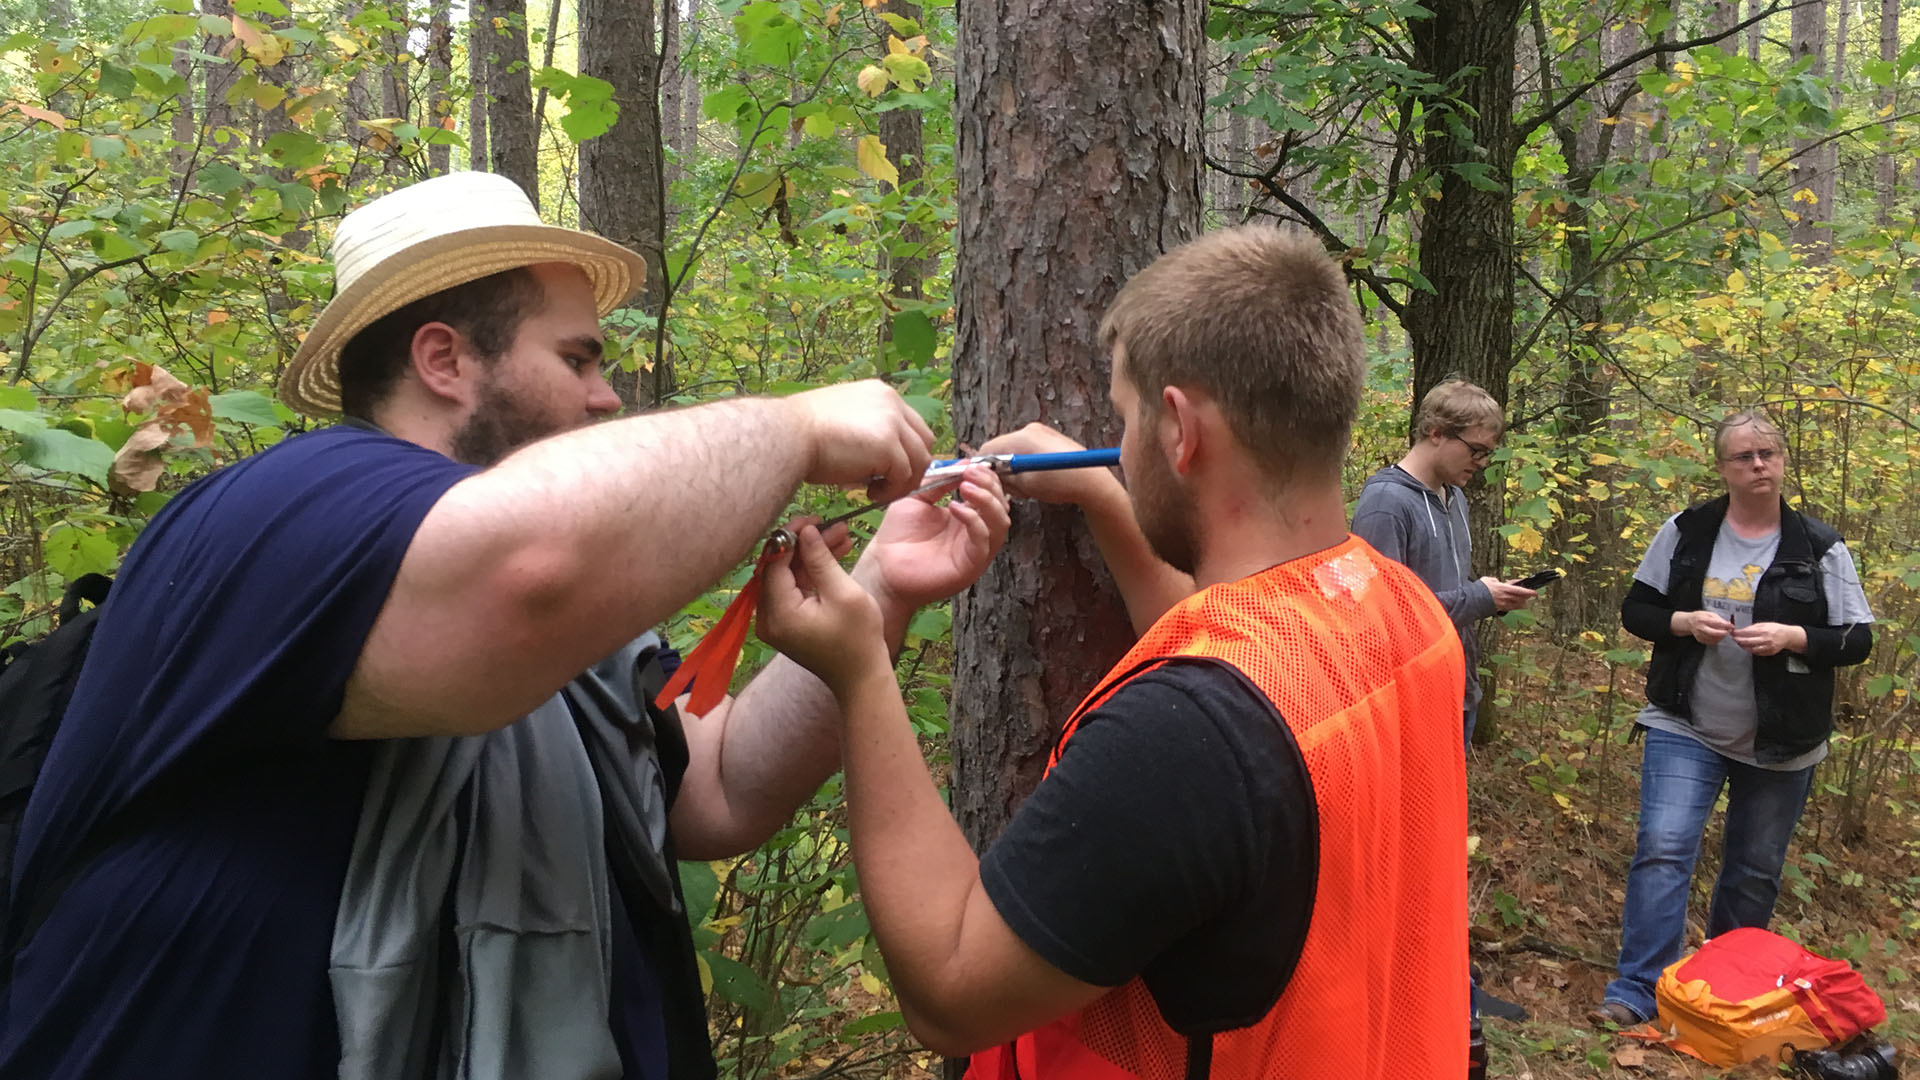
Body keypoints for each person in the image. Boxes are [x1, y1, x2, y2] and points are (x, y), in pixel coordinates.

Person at [0, 171, 1011, 1080]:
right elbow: (529, 567)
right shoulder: (288, 507)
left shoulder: (536, 620)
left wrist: (889, 584)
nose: (609, 395)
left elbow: (720, 787)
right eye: (577, 357)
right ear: (443, 358)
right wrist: (796, 428)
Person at [758, 226, 1472, 1079]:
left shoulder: (1187, 737)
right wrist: (1103, 487)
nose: (1119, 445)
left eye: (1124, 421)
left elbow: (949, 991)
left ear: (1179, 428)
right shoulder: (1408, 616)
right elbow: (1256, 661)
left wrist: (860, 666)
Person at [1589, 410, 1872, 1028]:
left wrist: (1797, 635)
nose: (1757, 466)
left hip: (1781, 740)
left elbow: (1857, 639)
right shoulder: (1688, 532)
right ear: (1721, 468)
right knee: (1664, 848)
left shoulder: (1819, 547)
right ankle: (1638, 987)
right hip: (1685, 720)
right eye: (1742, 457)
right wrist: (1684, 623)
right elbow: (1637, 610)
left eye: (1766, 453)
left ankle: (1720, 990)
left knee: (1753, 870)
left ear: (1784, 459)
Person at [1350, 378, 1536, 751]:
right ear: (1437, 433)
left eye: (1487, 454)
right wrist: (1479, 598)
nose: (1481, 463)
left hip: (1456, 685)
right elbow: (1380, 615)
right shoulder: (1386, 503)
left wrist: (1492, 596)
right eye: (1476, 450)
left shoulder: (1454, 498)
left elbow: (1441, 588)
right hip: (1406, 701)